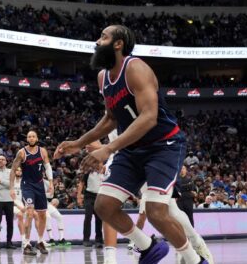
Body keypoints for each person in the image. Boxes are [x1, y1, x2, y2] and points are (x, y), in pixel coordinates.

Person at [55, 25, 207, 264]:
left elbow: (149, 117)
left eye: (103, 37)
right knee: (104, 206)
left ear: (118, 43)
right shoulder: (103, 77)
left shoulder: (135, 68)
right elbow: (111, 118)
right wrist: (79, 142)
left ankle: (195, 260)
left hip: (163, 145)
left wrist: (109, 148)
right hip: (133, 149)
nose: (97, 41)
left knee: (157, 211)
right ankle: (148, 248)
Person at [9, 130, 53, 256]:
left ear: (37, 138)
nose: (32, 138)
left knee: (42, 214)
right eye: (29, 136)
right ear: (27, 139)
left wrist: (51, 183)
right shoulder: (22, 153)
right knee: (29, 211)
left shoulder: (42, 151)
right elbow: (13, 170)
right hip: (27, 185)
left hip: (39, 184)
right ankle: (26, 244)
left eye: (34, 136)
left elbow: (48, 167)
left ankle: (40, 241)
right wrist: (11, 187)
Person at [0, 155, 16, 249]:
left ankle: (9, 242)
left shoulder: (10, 171)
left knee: (10, 223)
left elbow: (12, 184)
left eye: (2, 159)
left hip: (9, 200)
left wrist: (1, 181)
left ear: (6, 161)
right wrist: (6, 183)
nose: (1, 161)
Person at [78, 162, 103, 247]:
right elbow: (81, 184)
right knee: (88, 217)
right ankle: (86, 240)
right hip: (89, 196)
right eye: (98, 163)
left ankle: (99, 241)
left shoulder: (104, 174)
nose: (99, 165)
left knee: (99, 219)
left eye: (101, 163)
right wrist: (79, 196)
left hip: (100, 197)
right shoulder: (88, 173)